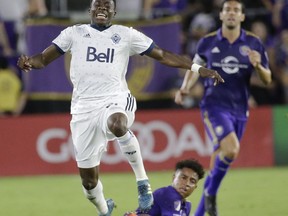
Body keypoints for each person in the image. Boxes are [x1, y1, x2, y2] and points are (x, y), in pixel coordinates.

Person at [17, 0, 223, 215]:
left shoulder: (126, 34)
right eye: (99, 5)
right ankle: (104, 209)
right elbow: (43, 58)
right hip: (83, 110)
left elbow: (162, 55)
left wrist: (198, 69)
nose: (103, 8)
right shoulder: (73, 33)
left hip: (115, 98)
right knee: (89, 182)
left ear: (115, 12)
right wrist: (29, 62)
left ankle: (143, 183)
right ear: (90, 10)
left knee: (117, 123)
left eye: (108, 6)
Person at [175, 1, 272, 216]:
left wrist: (258, 66)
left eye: (236, 10)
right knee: (231, 149)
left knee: (222, 158)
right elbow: (195, 68)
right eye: (227, 9)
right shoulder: (207, 42)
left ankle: (203, 206)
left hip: (240, 109)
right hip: (214, 105)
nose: (231, 13)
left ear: (242, 17)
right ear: (221, 15)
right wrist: (184, 88)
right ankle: (210, 192)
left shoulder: (253, 43)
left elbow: (267, 79)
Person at [124, 159, 205, 216]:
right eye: (183, 178)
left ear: (195, 187)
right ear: (174, 178)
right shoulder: (167, 195)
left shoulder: (187, 205)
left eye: (192, 181)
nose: (187, 183)